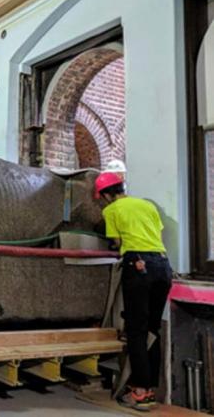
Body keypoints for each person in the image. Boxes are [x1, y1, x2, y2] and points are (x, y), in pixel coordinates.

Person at [94, 172, 172, 412]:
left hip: (138, 266)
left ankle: (140, 392)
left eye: (101, 198)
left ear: (106, 195)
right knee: (152, 329)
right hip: (163, 266)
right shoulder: (147, 205)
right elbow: (156, 237)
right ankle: (150, 389)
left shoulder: (111, 211)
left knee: (136, 331)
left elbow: (118, 243)